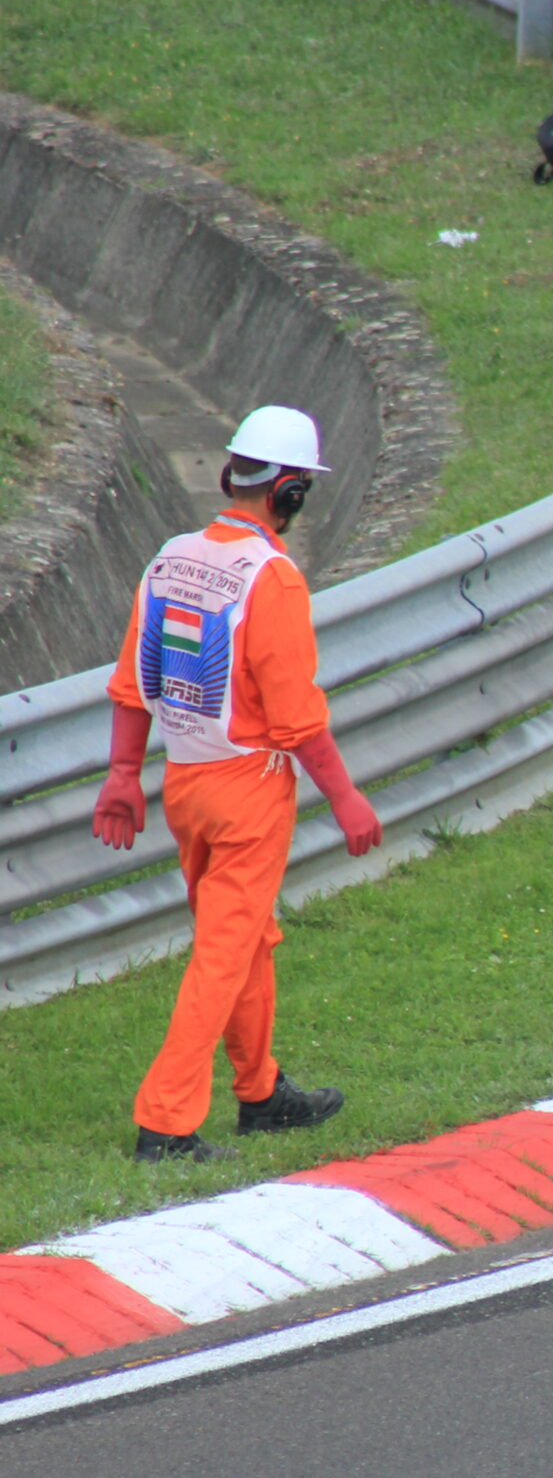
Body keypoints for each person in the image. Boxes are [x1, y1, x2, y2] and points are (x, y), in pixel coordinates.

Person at [93, 407, 383, 1164]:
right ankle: (165, 1122)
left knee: (246, 941)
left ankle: (259, 1092)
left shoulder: (170, 557)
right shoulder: (274, 580)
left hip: (184, 783)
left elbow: (132, 683)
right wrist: (346, 797)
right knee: (223, 954)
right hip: (251, 790)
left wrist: (125, 774)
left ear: (232, 475)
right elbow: (297, 718)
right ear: (286, 492)